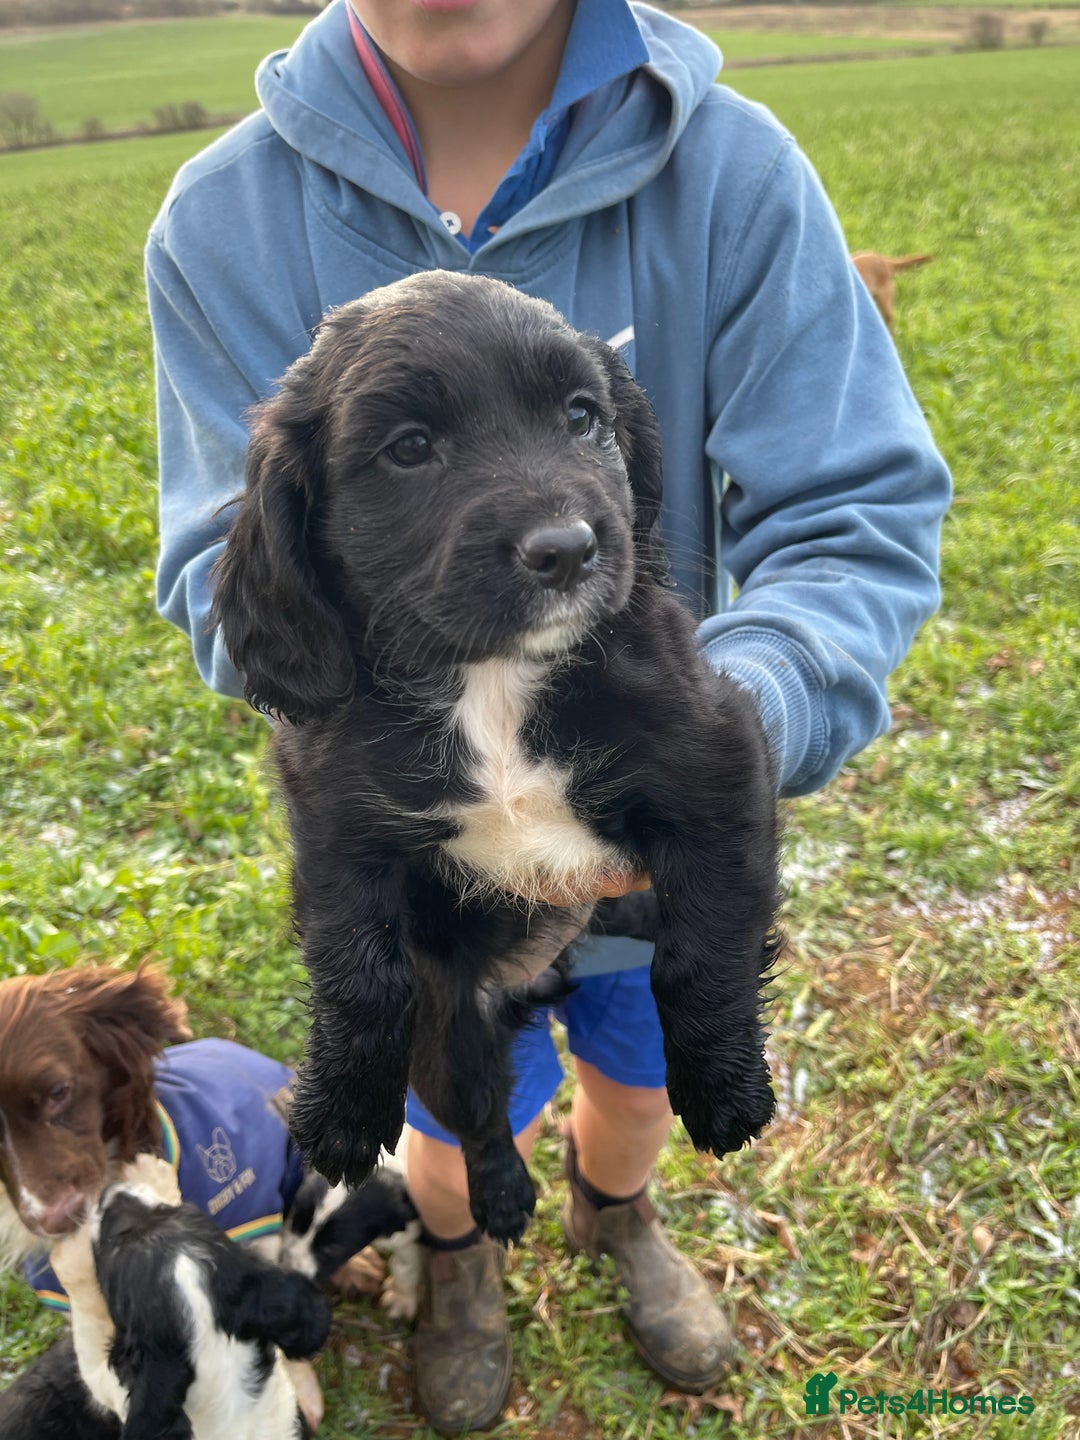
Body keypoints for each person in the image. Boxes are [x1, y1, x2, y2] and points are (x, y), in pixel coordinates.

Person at [147, 0, 951, 1431]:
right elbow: (235, 571)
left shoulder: (736, 176)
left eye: (579, 427)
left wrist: (716, 728)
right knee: (453, 1117)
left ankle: (620, 1215)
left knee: (642, 1082)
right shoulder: (225, 223)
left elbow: (854, 516)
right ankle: (459, 1256)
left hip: (646, 791)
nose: (560, 517)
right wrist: (432, 755)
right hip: (423, 849)